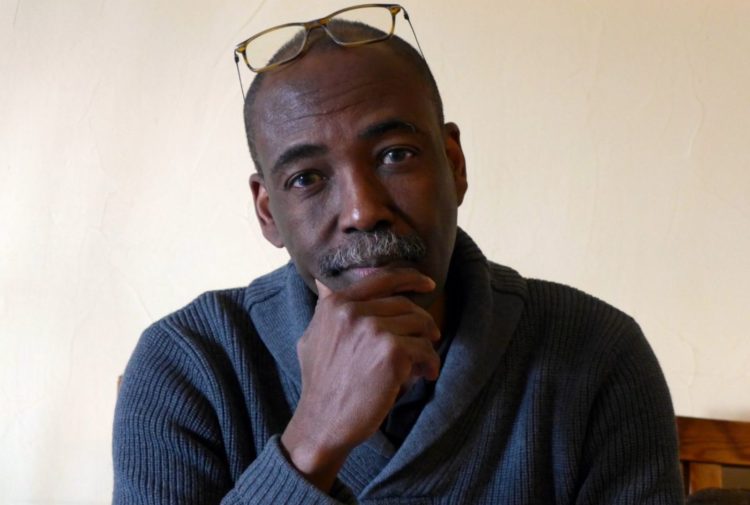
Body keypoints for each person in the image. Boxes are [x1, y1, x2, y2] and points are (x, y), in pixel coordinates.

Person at [113, 5, 684, 504]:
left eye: (395, 155)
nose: (363, 210)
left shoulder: (597, 352)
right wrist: (313, 439)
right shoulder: (188, 366)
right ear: (267, 212)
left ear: (454, 165)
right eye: (307, 178)